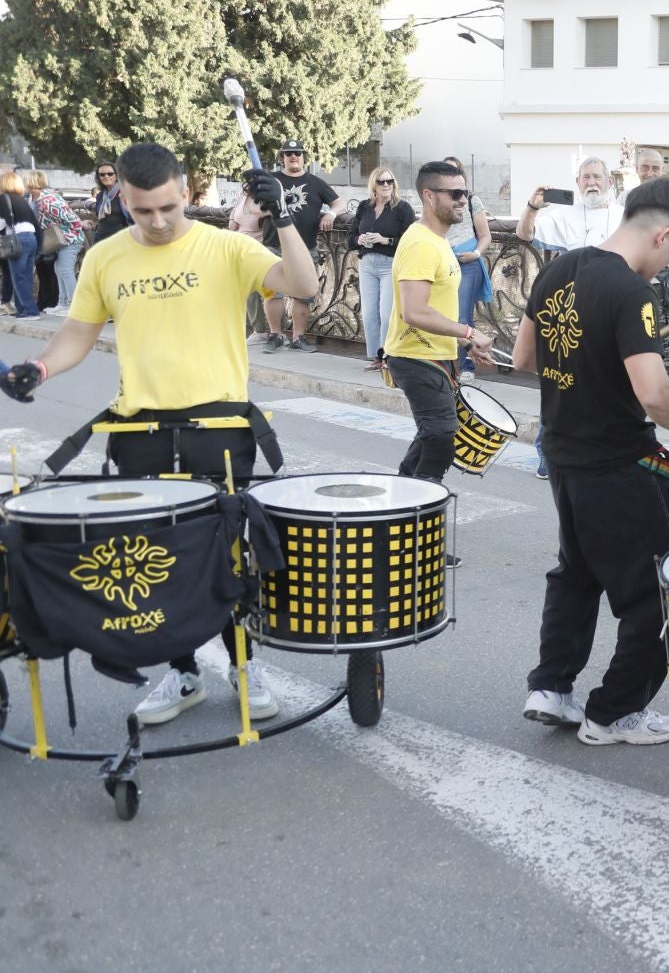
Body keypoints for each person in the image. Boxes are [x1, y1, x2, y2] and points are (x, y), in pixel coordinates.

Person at [0, 142, 319, 725]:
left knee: (226, 559)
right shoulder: (104, 256)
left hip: (219, 429)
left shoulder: (224, 245)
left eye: (169, 207)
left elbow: (304, 286)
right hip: (140, 431)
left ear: (184, 193)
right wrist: (42, 367)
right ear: (123, 197)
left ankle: (245, 666)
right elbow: (78, 329)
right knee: (159, 559)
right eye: (143, 210)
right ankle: (184, 673)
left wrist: (286, 219)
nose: (158, 221)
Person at [512, 177, 669, 744]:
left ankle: (551, 687)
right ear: (664, 233)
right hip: (620, 462)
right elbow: (652, 393)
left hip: (563, 454)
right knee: (658, 588)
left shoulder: (558, 269)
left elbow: (525, 356)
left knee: (576, 574)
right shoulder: (630, 293)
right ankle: (614, 713)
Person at [385, 160, 494, 482]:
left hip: (434, 354)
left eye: (466, 192)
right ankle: (421, 505)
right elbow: (414, 312)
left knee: (432, 434)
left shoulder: (438, 241)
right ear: (429, 196)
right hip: (415, 356)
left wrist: (464, 341)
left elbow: (435, 308)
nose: (463, 200)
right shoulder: (421, 243)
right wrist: (469, 331)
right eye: (455, 193)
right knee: (441, 436)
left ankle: (405, 498)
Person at [262, 140, 343, 352]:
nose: (293, 156)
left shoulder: (315, 182)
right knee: (273, 294)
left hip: (305, 248)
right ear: (282, 157)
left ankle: (298, 338)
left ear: (303, 156)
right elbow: (253, 205)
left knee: (303, 295)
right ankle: (276, 336)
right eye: (288, 153)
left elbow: (339, 203)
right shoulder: (272, 180)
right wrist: (267, 210)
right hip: (274, 246)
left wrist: (332, 214)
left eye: (297, 152)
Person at [350, 166, 414, 371]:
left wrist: (385, 240)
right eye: (382, 182)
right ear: (374, 185)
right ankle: (376, 357)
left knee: (387, 313)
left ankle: (390, 356)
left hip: (390, 264)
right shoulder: (364, 207)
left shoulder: (402, 208)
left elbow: (411, 239)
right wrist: (359, 239)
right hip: (367, 263)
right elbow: (349, 238)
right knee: (369, 313)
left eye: (390, 181)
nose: (386, 185)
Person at [443, 156, 494, 380]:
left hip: (467, 263)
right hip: (444, 262)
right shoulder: (439, 201)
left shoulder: (472, 201)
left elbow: (485, 235)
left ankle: (466, 368)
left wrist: (474, 254)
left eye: (455, 172)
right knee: (443, 313)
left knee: (462, 315)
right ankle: (445, 364)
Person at [516, 157, 618, 252]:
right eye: (586, 177)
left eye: (597, 177)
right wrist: (533, 207)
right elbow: (524, 234)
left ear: (610, 182)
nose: (591, 182)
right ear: (578, 182)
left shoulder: (624, 215)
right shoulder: (566, 214)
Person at [24, 171, 84, 315]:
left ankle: (74, 305)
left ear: (31, 182)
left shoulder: (48, 199)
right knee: (59, 269)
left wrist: (61, 231)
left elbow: (72, 219)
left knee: (65, 270)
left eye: (25, 181)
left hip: (69, 239)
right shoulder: (36, 199)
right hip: (62, 239)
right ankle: (62, 303)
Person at [1, 172, 44, 318]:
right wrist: (39, 245)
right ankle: (22, 309)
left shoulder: (3, 199)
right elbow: (36, 224)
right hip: (31, 239)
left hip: (17, 240)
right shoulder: (22, 201)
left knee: (19, 277)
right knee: (25, 277)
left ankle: (31, 311)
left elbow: (2, 223)